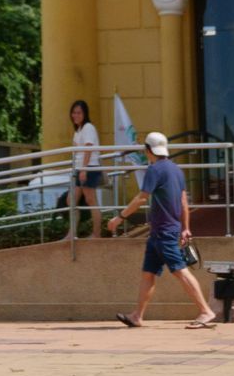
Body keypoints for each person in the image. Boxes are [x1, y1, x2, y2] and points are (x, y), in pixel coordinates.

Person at [107, 132, 217, 329]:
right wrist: (186, 228)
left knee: (181, 271)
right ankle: (137, 316)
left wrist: (119, 217)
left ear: (148, 150)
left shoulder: (154, 170)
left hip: (164, 232)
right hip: (160, 232)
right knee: (148, 274)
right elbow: (184, 201)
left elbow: (141, 198)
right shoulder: (176, 170)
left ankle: (205, 311)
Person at [64, 98, 103, 240]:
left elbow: (88, 148)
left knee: (91, 200)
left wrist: (84, 169)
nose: (75, 115)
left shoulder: (88, 128)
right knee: (71, 200)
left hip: (89, 168)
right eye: (73, 112)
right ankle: (72, 233)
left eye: (79, 112)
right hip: (80, 169)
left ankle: (96, 234)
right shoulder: (78, 130)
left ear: (85, 114)